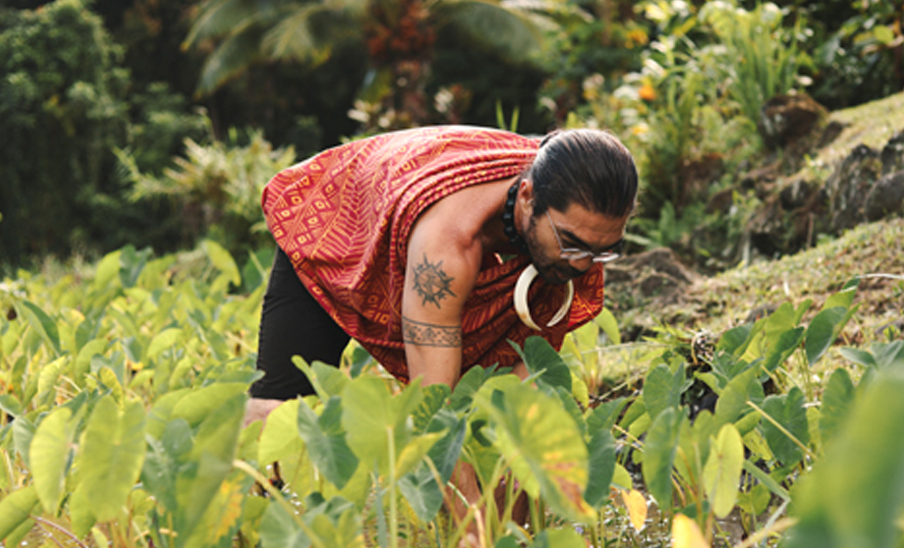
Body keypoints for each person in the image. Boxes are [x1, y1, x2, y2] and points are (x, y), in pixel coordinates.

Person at [244, 124, 637, 537]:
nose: (582, 264)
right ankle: (245, 530)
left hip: (446, 213)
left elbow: (523, 407)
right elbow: (434, 407)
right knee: (276, 409)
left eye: (601, 250)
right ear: (527, 197)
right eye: (571, 242)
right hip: (336, 216)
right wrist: (474, 531)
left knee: (509, 415)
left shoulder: (570, 201)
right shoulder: (447, 246)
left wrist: (509, 535)